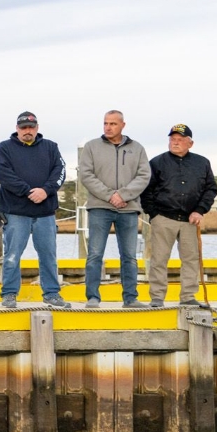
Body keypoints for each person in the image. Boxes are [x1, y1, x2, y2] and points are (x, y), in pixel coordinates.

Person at [77, 110, 151, 308]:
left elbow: (144, 176)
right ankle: (92, 297)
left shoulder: (138, 148)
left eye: (113, 124)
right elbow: (86, 175)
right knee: (94, 255)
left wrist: (124, 195)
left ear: (123, 125)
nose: (108, 127)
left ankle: (130, 298)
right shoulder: (91, 147)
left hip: (128, 208)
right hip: (99, 208)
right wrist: (110, 196)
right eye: (105, 123)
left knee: (129, 256)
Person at [0, 111, 68, 308]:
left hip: (45, 213)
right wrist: (28, 192)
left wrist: (45, 190)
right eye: (23, 127)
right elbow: (4, 175)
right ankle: (9, 294)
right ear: (17, 128)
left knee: (48, 255)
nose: (27, 131)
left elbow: (60, 172)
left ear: (37, 128)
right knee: (12, 256)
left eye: (31, 127)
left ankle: (52, 293)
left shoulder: (51, 147)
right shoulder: (4, 148)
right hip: (16, 212)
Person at [144, 123, 217, 308]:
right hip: (163, 218)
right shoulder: (156, 162)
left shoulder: (202, 163)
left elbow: (210, 189)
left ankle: (188, 296)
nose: (175, 143)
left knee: (191, 259)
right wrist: (153, 214)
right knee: (159, 259)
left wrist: (200, 210)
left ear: (190, 143)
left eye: (179, 140)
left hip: (190, 220)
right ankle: (157, 297)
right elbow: (146, 190)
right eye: (172, 139)